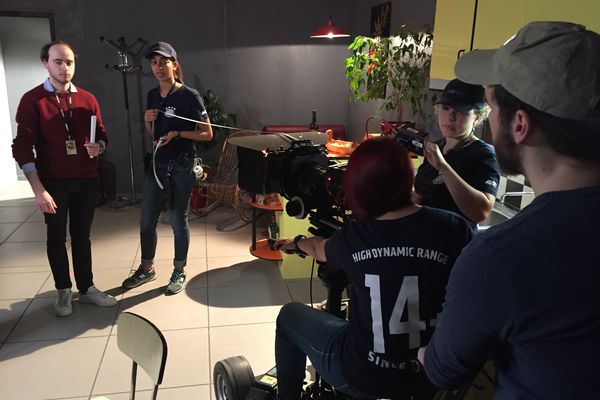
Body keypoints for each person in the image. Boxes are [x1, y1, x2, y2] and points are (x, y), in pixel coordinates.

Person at [418, 21, 600, 399]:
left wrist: (423, 353)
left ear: (519, 124)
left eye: (491, 103)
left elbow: (442, 370)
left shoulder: (497, 258)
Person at [274, 138, 474, 400]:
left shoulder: (355, 238)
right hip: (432, 378)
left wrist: (295, 243)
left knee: (289, 316)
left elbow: (318, 248)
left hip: (362, 376)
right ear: (408, 178)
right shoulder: (456, 228)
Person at [12, 40, 116, 317]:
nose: (64, 67)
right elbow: (22, 147)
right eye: (58, 61)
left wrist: (100, 147)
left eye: (69, 62)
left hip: (86, 179)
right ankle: (62, 290)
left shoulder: (87, 98)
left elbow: (102, 134)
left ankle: (87, 288)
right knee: (56, 237)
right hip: (53, 182)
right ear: (45, 63)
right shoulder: (32, 100)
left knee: (82, 236)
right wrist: (38, 189)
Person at [122, 42, 213, 295]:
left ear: (174, 64)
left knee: (177, 220)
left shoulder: (189, 96)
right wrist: (147, 121)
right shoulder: (152, 95)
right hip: (157, 166)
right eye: (153, 62)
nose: (158, 67)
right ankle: (147, 268)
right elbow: (154, 135)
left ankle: (179, 269)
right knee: (146, 221)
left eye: (163, 62)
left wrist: (178, 133)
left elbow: (207, 133)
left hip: (182, 167)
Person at [413, 79, 500, 233]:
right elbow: (421, 196)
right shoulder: (437, 147)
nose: (450, 117)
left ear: (477, 117)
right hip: (422, 238)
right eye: (445, 108)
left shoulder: (484, 155)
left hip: (454, 246)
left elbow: (481, 212)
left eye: (460, 110)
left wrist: (443, 167)